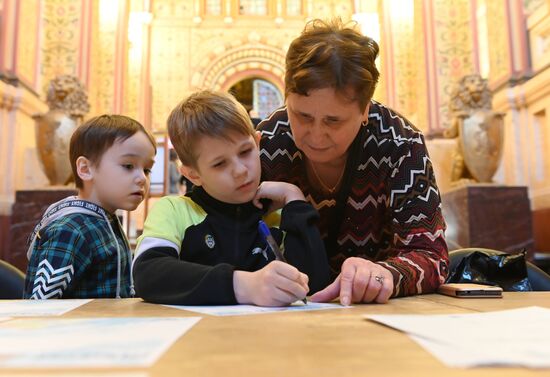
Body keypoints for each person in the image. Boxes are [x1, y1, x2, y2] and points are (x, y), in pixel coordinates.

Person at [258, 19, 449, 305]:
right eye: (302, 116)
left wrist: (384, 273)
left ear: (365, 111)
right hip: (283, 309)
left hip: (374, 311)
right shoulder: (269, 142)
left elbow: (433, 258)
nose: (316, 135)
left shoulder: (399, 144)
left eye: (333, 121)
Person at [132, 90, 330, 306]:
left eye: (245, 152)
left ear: (257, 143)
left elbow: (314, 286)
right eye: (219, 164)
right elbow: (147, 273)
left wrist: (295, 199)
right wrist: (245, 286)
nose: (240, 170)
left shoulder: (279, 215)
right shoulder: (173, 211)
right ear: (193, 174)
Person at [24, 114, 156, 299]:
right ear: (85, 169)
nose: (142, 178)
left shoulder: (105, 220)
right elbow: (40, 310)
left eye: (147, 169)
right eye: (128, 165)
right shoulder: (70, 231)